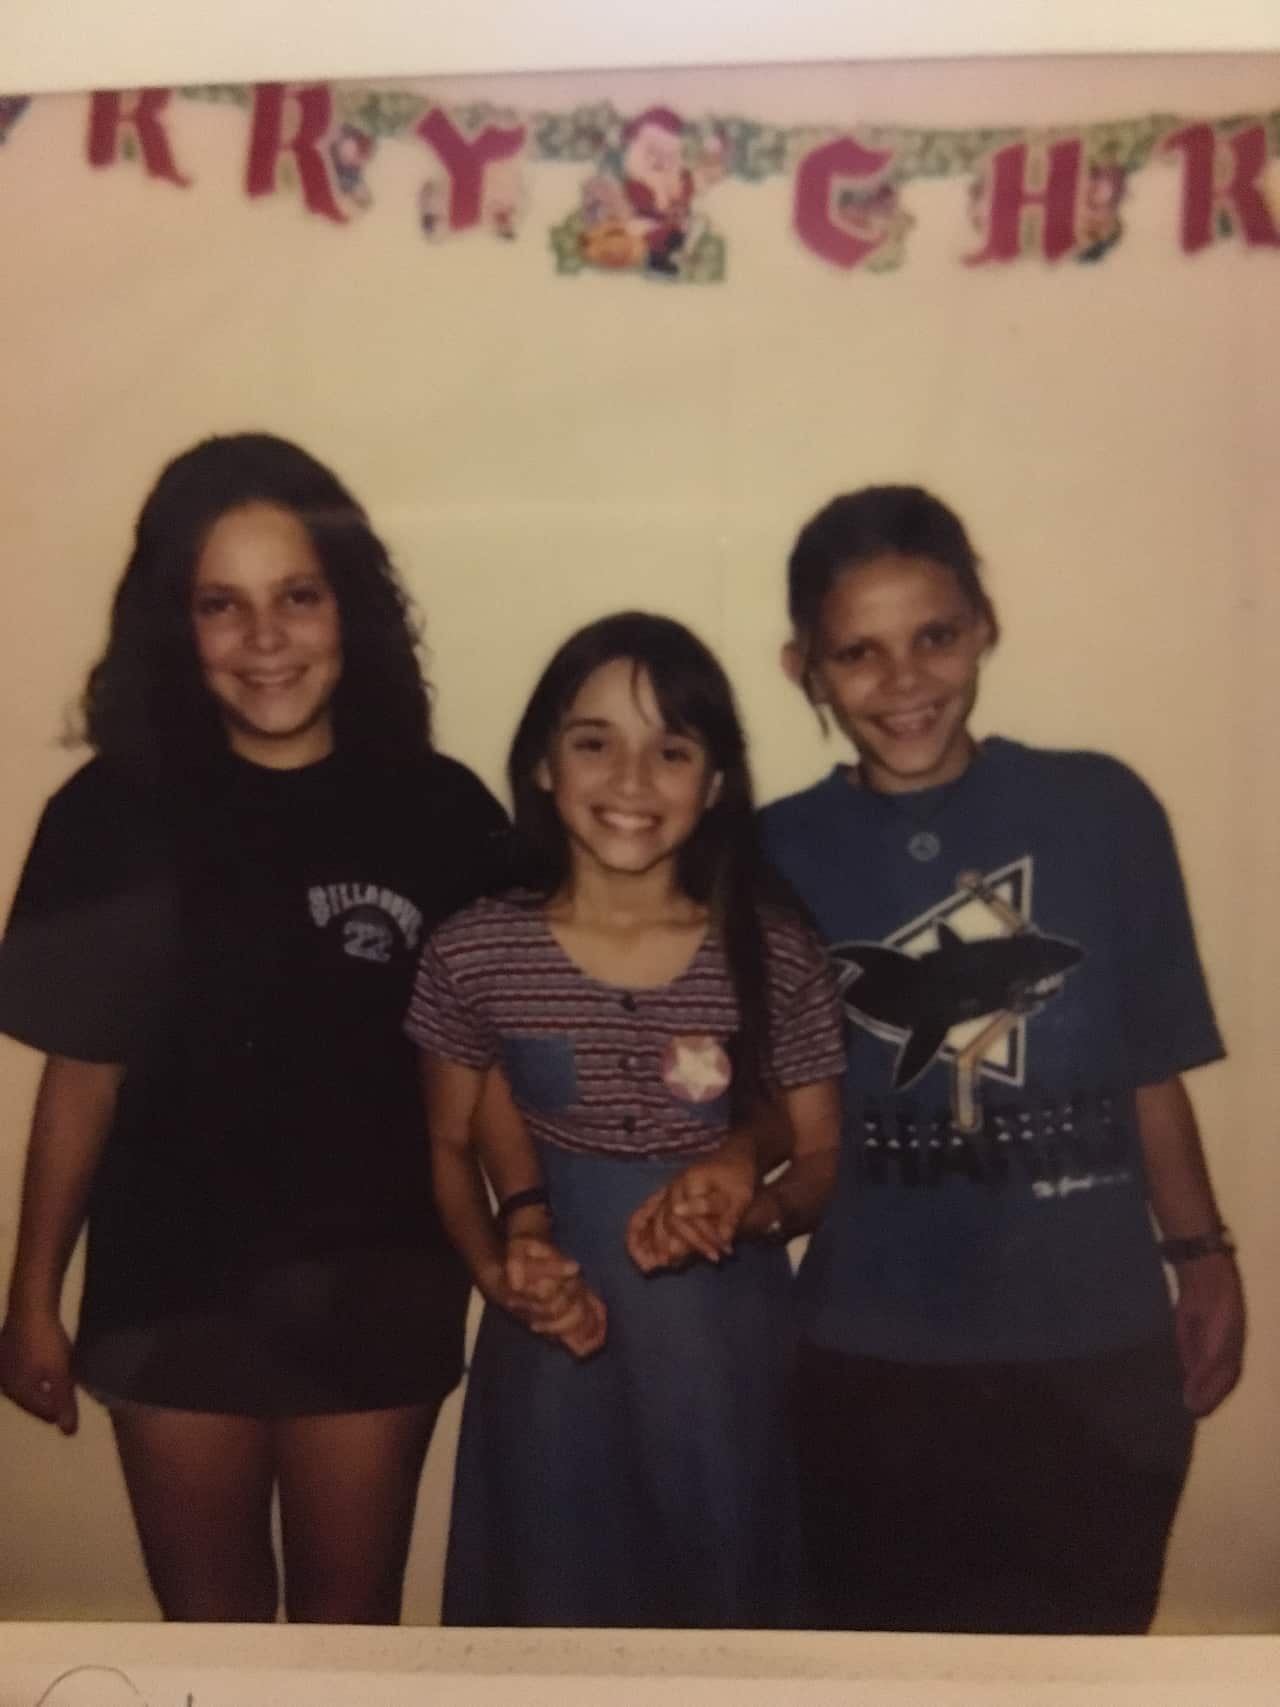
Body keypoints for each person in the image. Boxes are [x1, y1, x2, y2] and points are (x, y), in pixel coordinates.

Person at [0, 433, 507, 1623]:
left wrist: (529, 1236)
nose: (265, 638)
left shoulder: (440, 811)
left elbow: (493, 1071)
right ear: (175, 629)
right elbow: (81, 1078)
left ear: (351, 609)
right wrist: (31, 1297)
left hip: (378, 1290)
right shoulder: (109, 816)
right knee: (211, 1650)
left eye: (296, 597)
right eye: (220, 605)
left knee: (348, 1642)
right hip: (168, 1294)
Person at [760, 484, 1246, 1635]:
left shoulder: (1101, 808)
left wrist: (1204, 1254)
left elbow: (1147, 1062)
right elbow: (769, 1101)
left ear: (983, 623)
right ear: (805, 671)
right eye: (858, 653)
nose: (904, 681)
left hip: (1093, 1354)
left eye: (932, 635)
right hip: (863, 1356)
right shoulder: (770, 849)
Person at [406, 611, 845, 1628]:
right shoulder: (476, 950)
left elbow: (820, 1156)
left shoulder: (774, 950)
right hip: (551, 1348)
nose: (632, 780)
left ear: (717, 782)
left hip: (726, 1348)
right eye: (594, 740)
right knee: (553, 1602)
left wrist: (750, 1211)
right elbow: (444, 1142)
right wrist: (497, 1271)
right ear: (543, 766)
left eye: (671, 749)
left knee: (726, 1597)